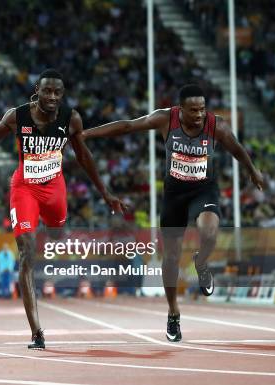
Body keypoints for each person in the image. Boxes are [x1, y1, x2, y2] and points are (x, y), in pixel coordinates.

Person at [0, 69, 125, 349]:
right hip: (25, 188)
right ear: (37, 90)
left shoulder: (72, 119)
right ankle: (37, 332)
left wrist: (105, 193)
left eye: (58, 92)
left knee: (56, 235)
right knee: (27, 253)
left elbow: (83, 156)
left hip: (54, 187)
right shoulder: (17, 116)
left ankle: (54, 228)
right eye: (47, 91)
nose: (53, 97)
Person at [83, 84, 264, 342]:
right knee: (170, 258)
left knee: (210, 233)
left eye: (202, 108)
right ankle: (173, 313)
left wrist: (252, 169)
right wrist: (88, 134)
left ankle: (202, 264)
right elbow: (127, 126)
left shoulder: (216, 126)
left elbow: (236, 148)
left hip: (204, 191)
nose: (199, 114)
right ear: (180, 109)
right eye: (193, 110)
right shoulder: (165, 119)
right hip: (174, 197)